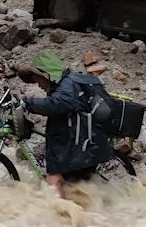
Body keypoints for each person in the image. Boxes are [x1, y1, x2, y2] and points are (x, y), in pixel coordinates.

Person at [17, 50, 114, 199]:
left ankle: (66, 216)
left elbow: (58, 104)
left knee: (54, 181)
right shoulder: (65, 83)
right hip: (81, 143)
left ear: (46, 74)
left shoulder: (67, 84)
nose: (39, 85)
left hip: (81, 147)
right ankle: (79, 213)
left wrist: (28, 103)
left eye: (38, 80)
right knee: (73, 187)